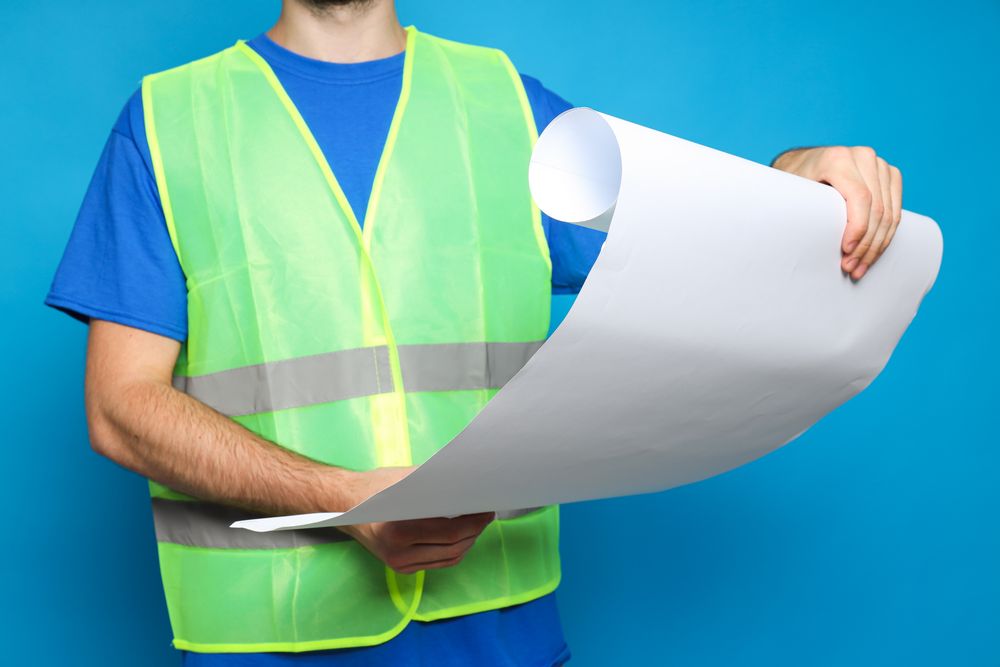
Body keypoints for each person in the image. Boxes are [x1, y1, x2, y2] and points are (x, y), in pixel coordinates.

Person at [46, 0, 904, 665]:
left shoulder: (508, 109)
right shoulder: (166, 121)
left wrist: (798, 178)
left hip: (500, 634)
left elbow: (705, 245)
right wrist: (344, 498)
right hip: (268, 638)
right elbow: (120, 407)